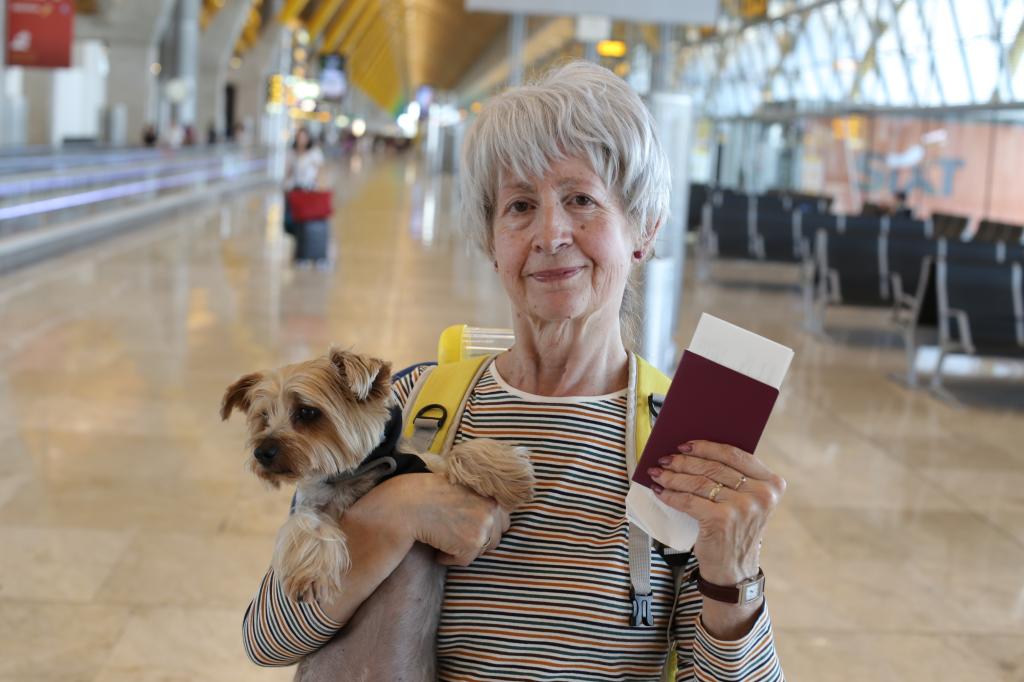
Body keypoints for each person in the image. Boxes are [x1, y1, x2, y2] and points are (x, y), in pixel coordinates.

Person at [242, 61, 786, 680]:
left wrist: (732, 579)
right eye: (520, 206)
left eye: (581, 200)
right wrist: (395, 511)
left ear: (644, 230)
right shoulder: (413, 408)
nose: (551, 234)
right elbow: (269, 636)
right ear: (491, 241)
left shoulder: (682, 441)